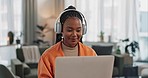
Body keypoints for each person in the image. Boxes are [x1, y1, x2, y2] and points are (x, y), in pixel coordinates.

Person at [38, 5, 97, 78]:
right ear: (61, 30)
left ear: (83, 30)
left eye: (78, 30)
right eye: (69, 30)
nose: (74, 34)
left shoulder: (91, 53)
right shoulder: (47, 56)